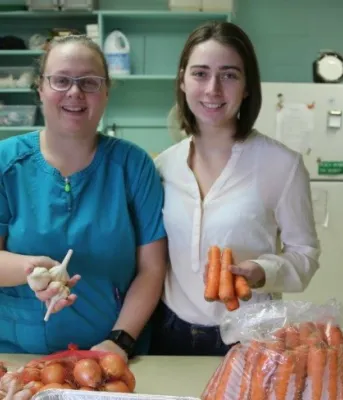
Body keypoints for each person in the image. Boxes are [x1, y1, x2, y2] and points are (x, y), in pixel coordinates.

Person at [150, 21, 320, 356]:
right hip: (169, 332)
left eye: (229, 75)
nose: (213, 88)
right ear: (183, 80)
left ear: (246, 87)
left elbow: (305, 255)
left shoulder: (281, 164)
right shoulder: (163, 167)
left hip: (250, 333)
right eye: (200, 73)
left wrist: (261, 272)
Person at [0, 35, 167, 360]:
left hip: (113, 355)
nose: (75, 92)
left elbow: (152, 269)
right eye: (61, 80)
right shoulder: (6, 163)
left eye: (89, 82)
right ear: (40, 89)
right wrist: (29, 269)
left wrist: (119, 342)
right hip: (18, 355)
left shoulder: (133, 166)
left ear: (106, 92)